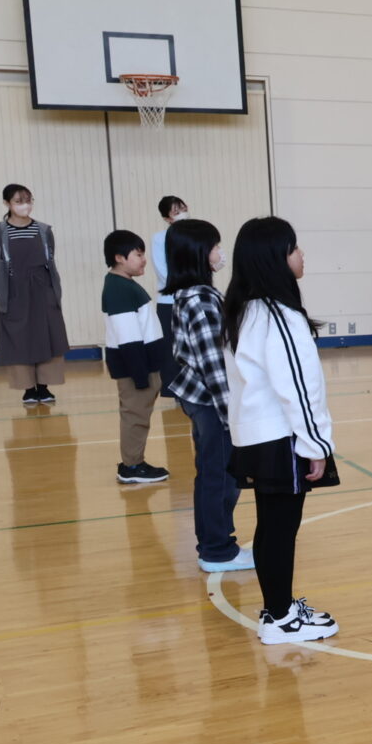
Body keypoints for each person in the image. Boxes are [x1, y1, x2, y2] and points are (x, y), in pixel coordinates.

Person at [224, 216, 340, 646]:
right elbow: (299, 386)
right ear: (276, 258)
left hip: (255, 436)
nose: (301, 254)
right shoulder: (276, 315)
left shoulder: (245, 310)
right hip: (281, 438)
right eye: (294, 248)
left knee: (271, 527)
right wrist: (316, 443)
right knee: (279, 528)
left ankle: (279, 609)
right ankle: (280, 617)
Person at [162, 218, 251, 572]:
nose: (220, 252)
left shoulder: (193, 296)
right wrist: (233, 414)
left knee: (212, 473)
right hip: (211, 403)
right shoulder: (199, 300)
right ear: (199, 254)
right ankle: (217, 549)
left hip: (199, 399)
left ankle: (215, 542)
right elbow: (214, 364)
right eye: (215, 246)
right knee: (220, 475)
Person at [101, 230, 172, 486]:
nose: (143, 260)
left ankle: (134, 461)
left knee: (138, 415)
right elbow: (128, 336)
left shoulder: (125, 285)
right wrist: (140, 374)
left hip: (143, 366)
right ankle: (131, 465)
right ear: (120, 257)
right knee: (135, 416)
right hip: (135, 369)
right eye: (138, 255)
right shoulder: (119, 288)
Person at [0, 184, 67, 405]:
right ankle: (28, 388)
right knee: (19, 338)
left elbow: (50, 258)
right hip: (15, 291)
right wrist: (8, 285)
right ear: (7, 204)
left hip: (43, 289)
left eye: (29, 200)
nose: (25, 205)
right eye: (19, 201)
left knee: (47, 334)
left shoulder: (43, 229)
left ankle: (44, 386)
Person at [152, 195, 188, 393]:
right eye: (176, 212)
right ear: (167, 218)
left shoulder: (197, 234)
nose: (182, 213)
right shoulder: (159, 238)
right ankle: (173, 389)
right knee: (171, 346)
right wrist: (185, 284)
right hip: (170, 299)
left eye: (183, 208)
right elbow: (162, 270)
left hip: (193, 296)